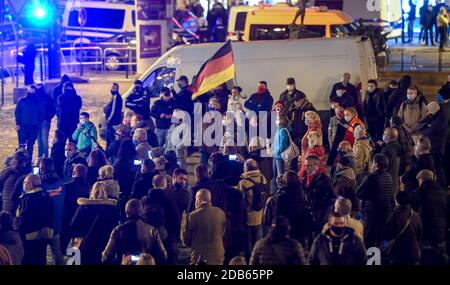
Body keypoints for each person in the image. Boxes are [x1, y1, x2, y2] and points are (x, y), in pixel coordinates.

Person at [102, 199, 167, 265]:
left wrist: (126, 259)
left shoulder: (118, 230)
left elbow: (106, 257)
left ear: (126, 212)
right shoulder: (153, 231)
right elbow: (163, 255)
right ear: (142, 212)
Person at [71, 182, 119, 265]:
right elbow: (114, 226)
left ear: (92, 191)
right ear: (105, 192)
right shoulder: (111, 208)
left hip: (86, 243)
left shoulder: (83, 207)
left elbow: (74, 224)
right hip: (104, 243)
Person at [264, 172, 314, 245]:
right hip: (300, 231)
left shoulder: (279, 197)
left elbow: (276, 215)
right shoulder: (302, 194)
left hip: (285, 231)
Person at [357, 154, 394, 248]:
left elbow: (359, 193)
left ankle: (371, 261)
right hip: (385, 213)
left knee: (369, 241)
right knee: (379, 241)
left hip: (372, 214)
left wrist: (369, 195)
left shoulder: (372, 177)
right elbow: (391, 196)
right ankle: (378, 260)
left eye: (372, 162)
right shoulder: (389, 177)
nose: (371, 164)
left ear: (376, 164)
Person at [141, 175, 180, 265]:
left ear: (153, 184)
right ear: (164, 184)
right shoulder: (169, 199)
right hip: (167, 237)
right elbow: (175, 218)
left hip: (148, 237)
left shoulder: (144, 200)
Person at [412, 170, 448, 264]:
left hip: (426, 229)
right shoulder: (443, 192)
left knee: (426, 255)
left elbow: (413, 210)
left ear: (422, 180)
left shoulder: (418, 192)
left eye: (419, 181)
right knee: (440, 256)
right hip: (441, 230)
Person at [181, 189, 226, 265]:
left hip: (199, 257)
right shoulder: (220, 213)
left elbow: (185, 240)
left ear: (198, 200)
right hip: (218, 255)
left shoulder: (192, 216)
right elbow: (223, 232)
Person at [16, 174, 54, 265]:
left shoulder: (27, 199)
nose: (23, 184)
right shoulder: (47, 196)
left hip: (28, 236)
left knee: (28, 259)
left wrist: (18, 232)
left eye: (24, 182)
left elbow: (22, 218)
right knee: (41, 258)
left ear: (30, 184)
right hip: (44, 235)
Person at [237, 159, 269, 252]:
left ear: (247, 168)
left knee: (248, 241)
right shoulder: (263, 178)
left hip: (248, 215)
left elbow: (240, 200)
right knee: (259, 236)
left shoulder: (243, 182)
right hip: (260, 212)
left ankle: (249, 259)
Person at [383, 191, 422, 265]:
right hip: (413, 252)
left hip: (399, 253)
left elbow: (387, 234)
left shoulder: (394, 215)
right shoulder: (416, 215)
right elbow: (420, 234)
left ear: (397, 201)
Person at [39, 158, 65, 265]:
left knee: (41, 254)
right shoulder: (60, 182)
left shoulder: (40, 183)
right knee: (57, 253)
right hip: (56, 223)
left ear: (42, 167)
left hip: (43, 224)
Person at [417, 101, 448, 187]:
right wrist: (428, 120)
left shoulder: (442, 118)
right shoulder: (433, 115)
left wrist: (426, 127)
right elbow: (419, 126)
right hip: (431, 146)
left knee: (438, 167)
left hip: (437, 147)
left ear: (433, 110)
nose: (428, 113)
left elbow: (431, 131)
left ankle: (442, 185)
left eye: (429, 111)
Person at [61, 164, 90, 253]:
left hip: (66, 218)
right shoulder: (89, 188)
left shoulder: (66, 186)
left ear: (73, 172)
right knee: (76, 248)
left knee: (62, 246)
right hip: (81, 219)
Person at [302, 154, 335, 229]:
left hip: (320, 215)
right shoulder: (305, 179)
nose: (306, 168)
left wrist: (323, 215)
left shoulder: (325, 180)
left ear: (316, 165)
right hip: (309, 214)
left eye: (309, 165)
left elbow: (332, 198)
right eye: (305, 165)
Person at [15, 85, 44, 159]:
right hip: (23, 126)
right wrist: (18, 123)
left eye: (32, 91)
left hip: (33, 127)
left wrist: (37, 122)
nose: (31, 92)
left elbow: (42, 113)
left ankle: (28, 160)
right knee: (22, 145)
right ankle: (20, 161)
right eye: (30, 91)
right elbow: (17, 112)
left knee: (30, 145)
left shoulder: (38, 102)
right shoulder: (22, 101)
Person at [288, 91, 316, 159]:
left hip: (305, 136)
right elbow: (289, 120)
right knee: (294, 155)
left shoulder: (310, 110)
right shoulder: (292, 110)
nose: (296, 102)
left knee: (305, 155)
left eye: (298, 100)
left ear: (303, 99)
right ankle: (293, 167)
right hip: (295, 136)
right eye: (295, 100)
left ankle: (303, 168)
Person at [199, 97, 222, 166]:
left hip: (213, 146)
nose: (211, 106)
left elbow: (219, 132)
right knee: (202, 165)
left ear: (217, 106)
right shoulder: (205, 116)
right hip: (204, 145)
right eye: (210, 104)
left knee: (214, 165)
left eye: (214, 104)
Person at [36, 83, 56, 158]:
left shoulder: (46, 97)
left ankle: (45, 156)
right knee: (40, 139)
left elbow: (53, 109)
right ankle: (41, 156)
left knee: (43, 139)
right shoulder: (45, 97)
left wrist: (47, 118)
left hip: (44, 121)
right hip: (39, 122)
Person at [381, 127, 402, 195]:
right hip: (394, 181)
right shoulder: (398, 147)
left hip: (385, 182)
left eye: (385, 134)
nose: (383, 135)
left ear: (389, 136)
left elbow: (380, 165)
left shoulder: (387, 150)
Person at [103, 83, 123, 148]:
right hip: (114, 121)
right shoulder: (115, 96)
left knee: (110, 139)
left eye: (113, 88)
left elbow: (114, 110)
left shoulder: (116, 97)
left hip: (113, 121)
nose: (111, 89)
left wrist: (109, 119)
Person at [271, 114, 290, 182]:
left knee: (280, 175)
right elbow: (275, 142)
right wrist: (272, 150)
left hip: (279, 156)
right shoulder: (278, 130)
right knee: (274, 174)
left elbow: (283, 145)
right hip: (275, 155)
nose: (275, 121)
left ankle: (281, 188)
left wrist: (277, 152)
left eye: (277, 119)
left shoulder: (283, 131)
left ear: (281, 120)